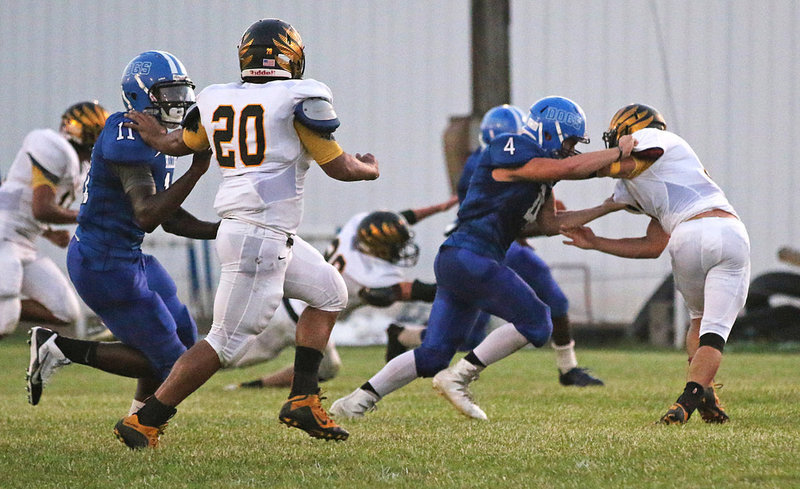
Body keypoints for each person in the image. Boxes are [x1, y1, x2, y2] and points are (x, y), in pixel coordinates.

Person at [113, 18, 380, 448]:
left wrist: (158, 137)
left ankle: (303, 398)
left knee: (330, 292)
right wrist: (369, 168)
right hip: (260, 235)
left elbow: (184, 143)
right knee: (226, 341)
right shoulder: (300, 97)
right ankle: (145, 419)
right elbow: (340, 168)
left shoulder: (218, 98)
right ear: (289, 56)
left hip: (260, 232)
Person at [330, 96, 632, 421]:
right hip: (469, 256)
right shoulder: (511, 145)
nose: (572, 148)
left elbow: (549, 224)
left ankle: (355, 402)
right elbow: (567, 167)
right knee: (537, 322)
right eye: (570, 140)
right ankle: (459, 377)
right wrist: (619, 152)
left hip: (464, 260)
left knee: (433, 355)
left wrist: (608, 206)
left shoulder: (543, 174)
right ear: (551, 131)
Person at [25, 51, 218, 417]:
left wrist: (222, 231)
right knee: (172, 362)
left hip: (127, 256)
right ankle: (59, 348)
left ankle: (135, 421)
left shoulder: (159, 138)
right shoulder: (124, 133)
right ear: (142, 95)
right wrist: (198, 170)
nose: (180, 102)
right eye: (169, 93)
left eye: (182, 92)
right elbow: (147, 214)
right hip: (103, 263)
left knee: (185, 338)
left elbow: (169, 216)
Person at [387, 105, 604, 392]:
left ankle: (405, 337)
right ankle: (566, 368)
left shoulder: (491, 157)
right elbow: (512, 210)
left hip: (486, 242)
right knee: (540, 306)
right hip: (489, 245)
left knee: (475, 328)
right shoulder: (504, 156)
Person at [559, 103, 750, 425]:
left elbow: (652, 243)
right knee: (713, 332)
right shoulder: (643, 169)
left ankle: (706, 396)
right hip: (725, 229)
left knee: (698, 322)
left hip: (685, 238)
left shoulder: (647, 147)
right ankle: (686, 401)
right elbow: (648, 243)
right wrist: (593, 241)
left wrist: (563, 167)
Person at [225, 197, 456, 390]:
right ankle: (194, 364)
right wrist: (468, 285)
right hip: (295, 319)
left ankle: (254, 386)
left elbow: (398, 219)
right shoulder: (368, 275)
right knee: (227, 357)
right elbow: (421, 292)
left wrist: (440, 207)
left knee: (327, 368)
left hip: (293, 306)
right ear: (378, 247)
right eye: (395, 246)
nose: (399, 250)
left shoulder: (356, 226)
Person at [0, 102, 108, 339]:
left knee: (64, 311)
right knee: (4, 321)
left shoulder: (79, 166)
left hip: (25, 242)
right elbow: (42, 208)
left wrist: (48, 232)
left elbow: (19, 196)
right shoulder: (56, 149)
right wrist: (90, 217)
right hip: (4, 237)